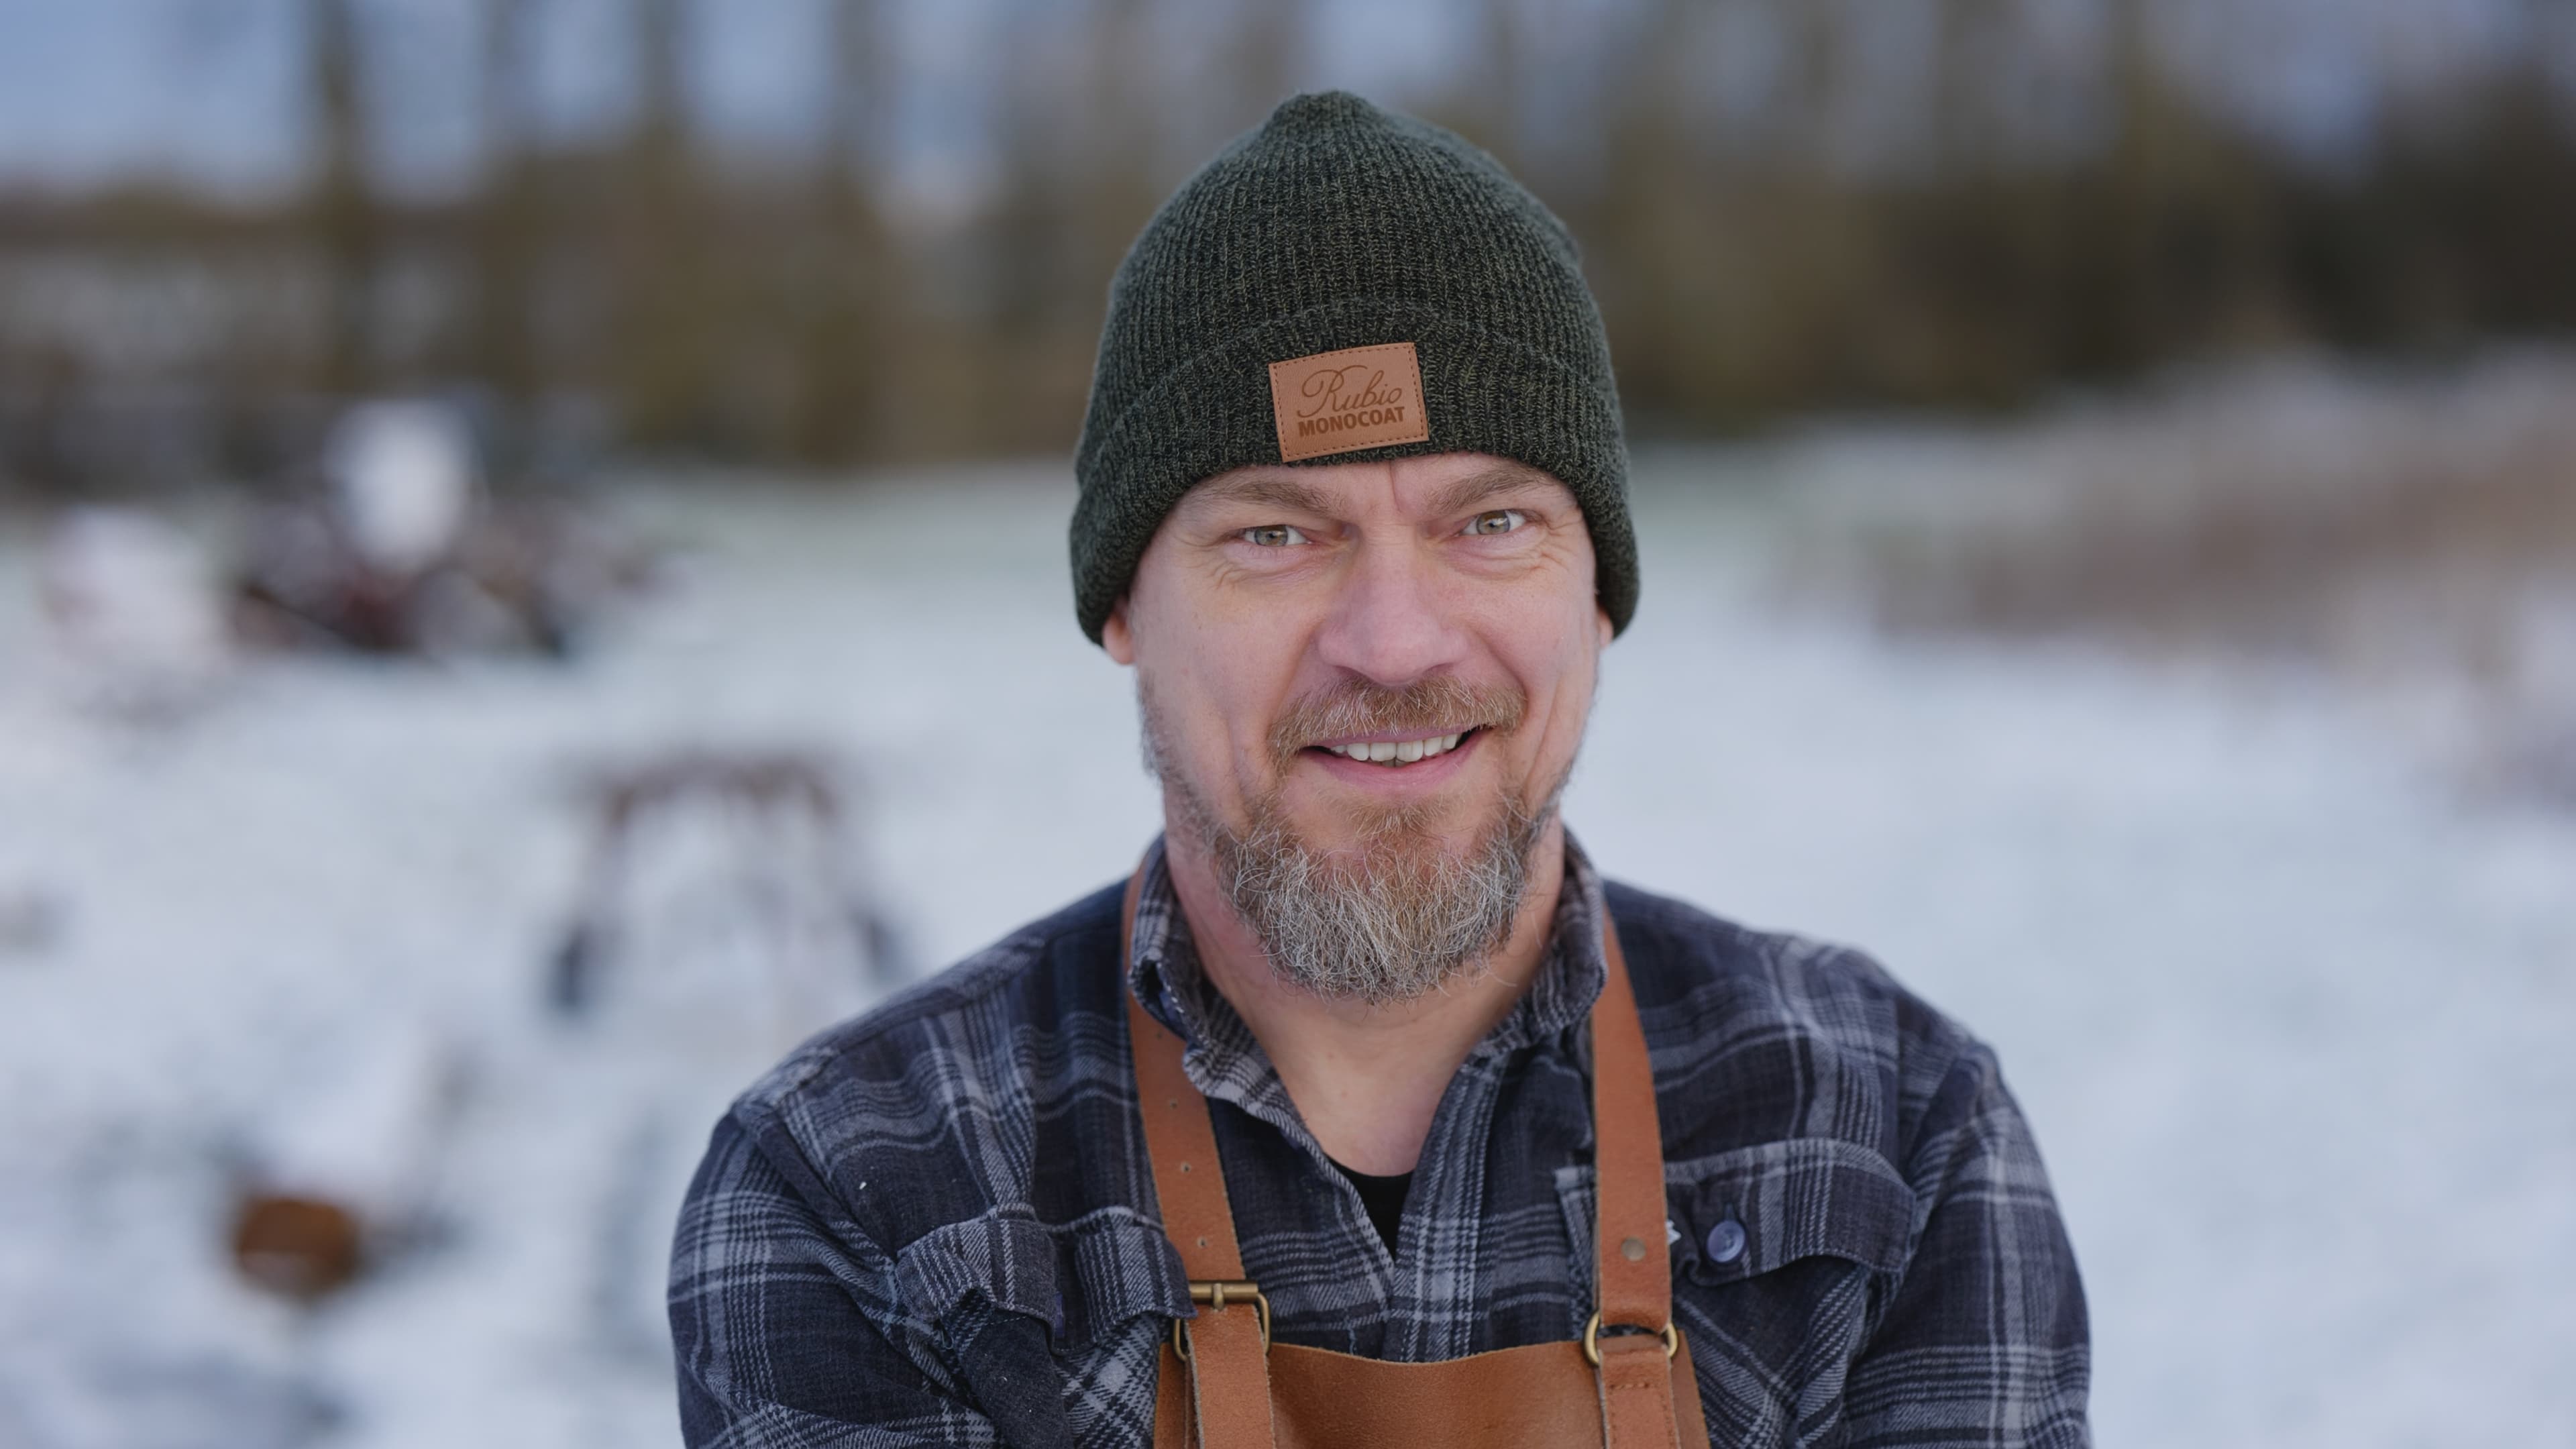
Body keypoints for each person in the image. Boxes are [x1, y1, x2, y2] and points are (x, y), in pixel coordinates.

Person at [669, 91, 2089, 1448]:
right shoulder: (868, 1195)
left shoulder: (1891, 1135)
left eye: (1491, 521)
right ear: (1122, 609)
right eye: (1277, 535)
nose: (1396, 645)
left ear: (1596, 592)